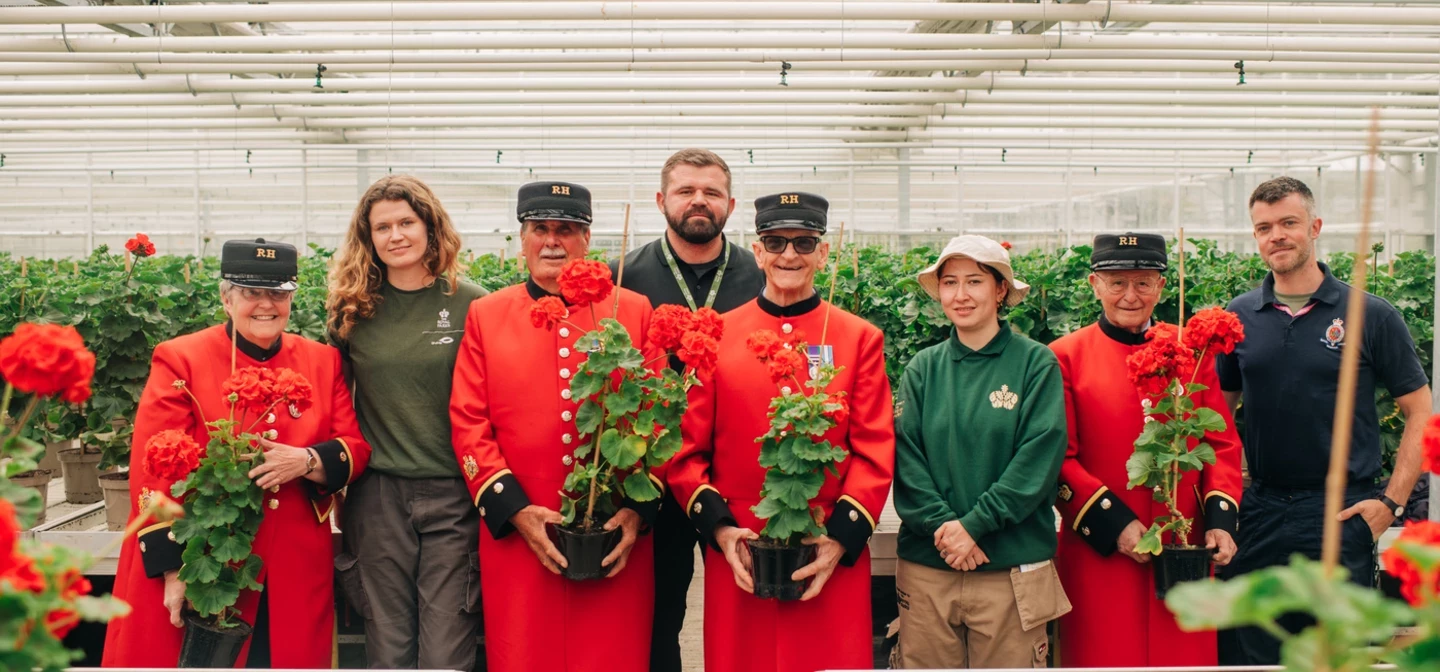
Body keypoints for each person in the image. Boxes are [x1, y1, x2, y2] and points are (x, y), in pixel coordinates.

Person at [103, 239, 371, 668]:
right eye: (251, 293)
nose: (267, 305)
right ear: (226, 297)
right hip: (206, 554)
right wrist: (174, 569)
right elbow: (152, 470)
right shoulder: (181, 359)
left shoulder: (323, 361)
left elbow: (354, 448)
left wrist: (306, 460)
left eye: (279, 293)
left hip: (295, 561)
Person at [668, 191, 895, 672]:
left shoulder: (858, 338)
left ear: (823, 252)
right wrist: (722, 530)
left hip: (826, 549)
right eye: (775, 241)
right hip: (743, 551)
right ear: (757, 251)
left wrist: (839, 540)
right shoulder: (720, 335)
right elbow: (686, 452)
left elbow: (874, 450)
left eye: (804, 242)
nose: (789, 254)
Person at [1217, 177, 1434, 665]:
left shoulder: (1371, 316)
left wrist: (1390, 505)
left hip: (1341, 515)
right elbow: (1215, 414)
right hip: (1261, 513)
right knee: (1251, 651)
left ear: (1314, 227)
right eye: (1264, 227)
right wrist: (1226, 502)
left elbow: (1422, 413)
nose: (1277, 235)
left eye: (1289, 223)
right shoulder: (1239, 316)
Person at [449, 181, 659, 672]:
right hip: (521, 535)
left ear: (587, 241)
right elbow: (468, 420)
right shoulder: (487, 314)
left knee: (613, 658)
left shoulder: (633, 310)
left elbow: (657, 421)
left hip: (614, 533)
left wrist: (635, 512)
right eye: (539, 228)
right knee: (524, 656)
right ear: (521, 238)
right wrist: (515, 511)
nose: (552, 241)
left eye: (566, 230)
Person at [1048, 233, 1243, 667]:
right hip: (1101, 549)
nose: (1130, 295)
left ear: (1161, 287)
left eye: (1143, 282)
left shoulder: (1192, 349)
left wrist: (1221, 521)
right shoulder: (1064, 356)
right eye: (1116, 282)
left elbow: (1222, 443)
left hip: (1186, 544)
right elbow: (1059, 457)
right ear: (1094, 284)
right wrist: (1114, 525)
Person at [608, 148, 764, 672]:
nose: (699, 201)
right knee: (658, 615)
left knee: (752, 608)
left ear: (731, 204)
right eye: (685, 190)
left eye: (711, 192)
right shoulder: (620, 277)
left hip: (739, 473)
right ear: (661, 200)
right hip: (651, 474)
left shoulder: (762, 275)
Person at [326, 175, 487, 670]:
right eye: (382, 227)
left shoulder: (472, 303)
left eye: (406, 223)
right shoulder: (350, 311)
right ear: (367, 238)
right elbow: (335, 405)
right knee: (388, 647)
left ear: (430, 227)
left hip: (454, 495)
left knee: (447, 649)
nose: (395, 235)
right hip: (377, 498)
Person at [892, 235, 1071, 669]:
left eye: (975, 281)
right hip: (929, 569)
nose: (961, 295)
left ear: (1000, 290)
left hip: (1008, 570)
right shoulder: (923, 368)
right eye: (949, 283)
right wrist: (945, 527)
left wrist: (975, 525)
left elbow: (1038, 459)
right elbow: (907, 459)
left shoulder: (1035, 364)